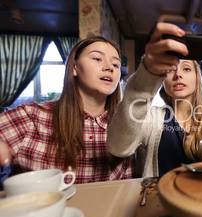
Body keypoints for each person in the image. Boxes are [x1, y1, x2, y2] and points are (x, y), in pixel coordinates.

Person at [107, 22, 202, 177]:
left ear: (197, 78)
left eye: (187, 69)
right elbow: (118, 147)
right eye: (171, 69)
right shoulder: (151, 118)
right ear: (162, 80)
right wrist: (145, 79)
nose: (178, 75)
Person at [0, 36, 133, 184]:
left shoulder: (124, 126)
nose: (109, 67)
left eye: (116, 64)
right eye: (97, 58)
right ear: (75, 68)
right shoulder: (33, 116)